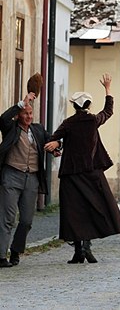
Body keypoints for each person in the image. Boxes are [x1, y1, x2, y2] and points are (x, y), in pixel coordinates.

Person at [44, 74, 120, 264]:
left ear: (74, 106)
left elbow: (52, 141)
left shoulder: (68, 123)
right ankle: (86, 247)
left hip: (71, 175)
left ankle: (79, 250)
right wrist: (107, 88)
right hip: (91, 173)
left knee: (74, 213)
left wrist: (58, 146)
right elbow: (108, 110)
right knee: (94, 209)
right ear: (88, 105)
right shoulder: (93, 120)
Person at [0, 92, 58, 267]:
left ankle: (16, 250)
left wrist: (56, 146)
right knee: (7, 218)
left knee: (26, 220)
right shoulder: (11, 128)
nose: (29, 116)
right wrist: (20, 104)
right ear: (18, 115)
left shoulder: (38, 130)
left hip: (32, 178)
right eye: (25, 113)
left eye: (31, 113)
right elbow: (2, 119)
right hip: (11, 175)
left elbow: (52, 140)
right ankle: (1, 256)